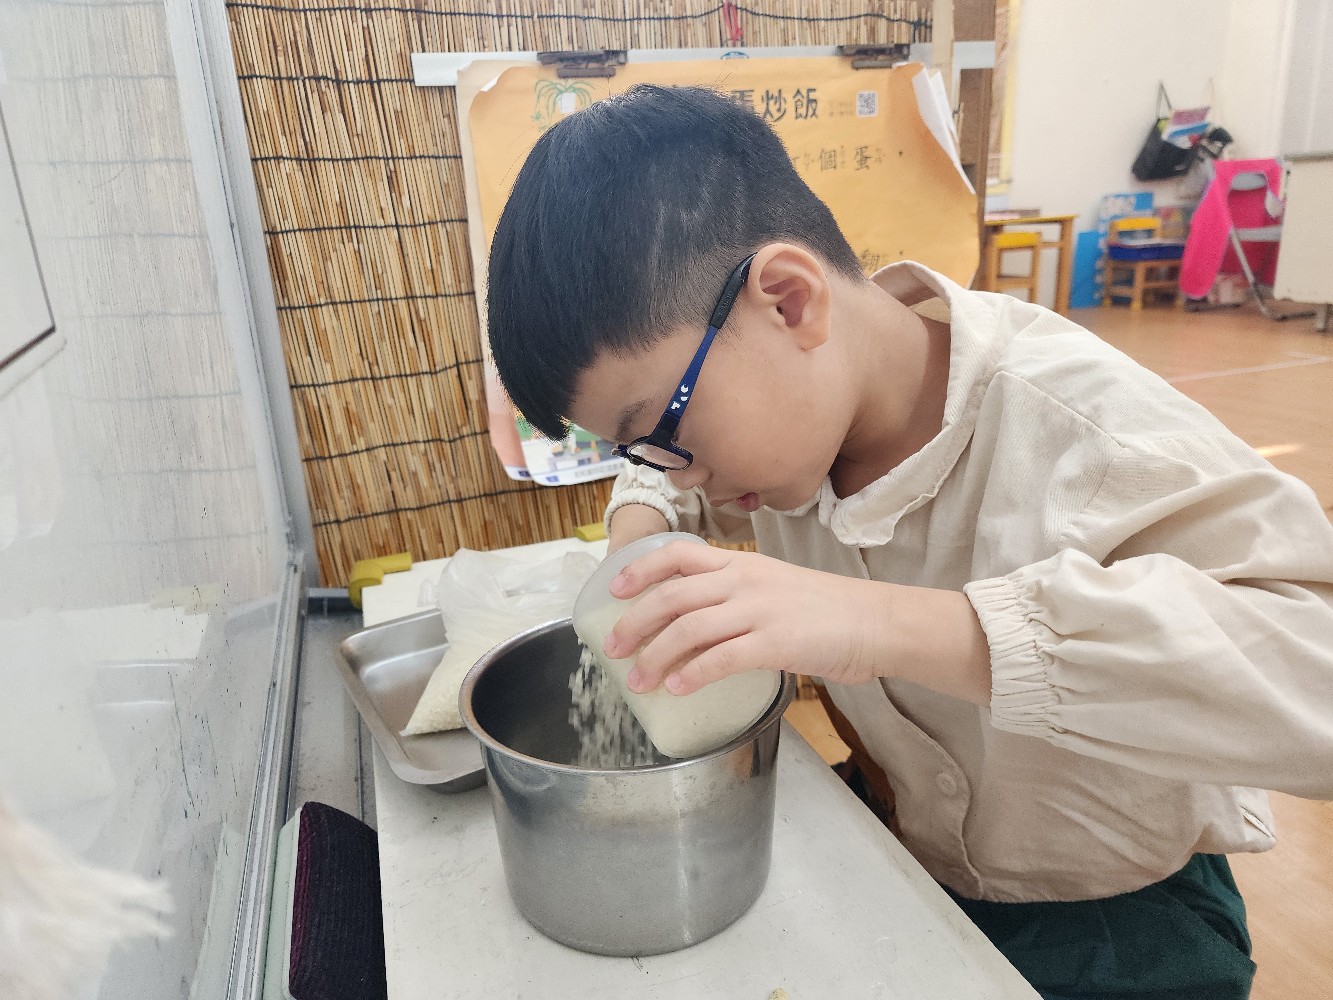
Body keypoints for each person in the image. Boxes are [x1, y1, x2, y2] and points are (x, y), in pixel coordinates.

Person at [485, 83, 1333, 1000]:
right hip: (900, 841)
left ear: (789, 301)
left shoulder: (1085, 435)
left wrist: (880, 624)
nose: (677, 473)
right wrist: (637, 529)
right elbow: (663, 478)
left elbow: (1311, 676)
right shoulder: (788, 431)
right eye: (637, 448)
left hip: (1117, 915)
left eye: (661, 428)